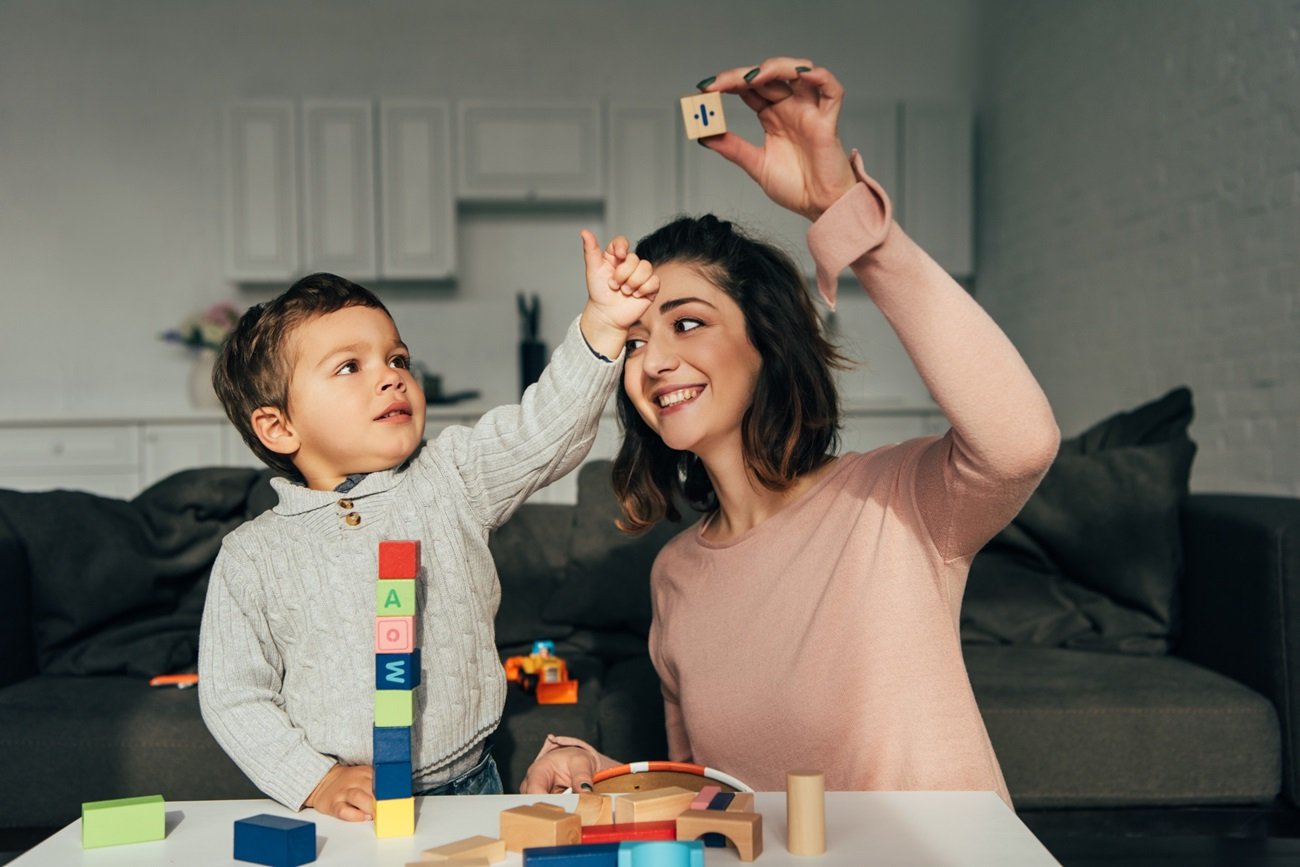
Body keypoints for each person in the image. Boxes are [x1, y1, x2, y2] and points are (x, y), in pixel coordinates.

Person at [520, 57, 1059, 807]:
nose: (656, 360)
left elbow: (1021, 441)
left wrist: (847, 214)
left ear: (764, 341)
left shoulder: (896, 502)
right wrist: (596, 768)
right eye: (636, 340)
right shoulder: (674, 574)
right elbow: (722, 803)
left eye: (687, 322)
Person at [197, 230, 659, 821]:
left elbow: (545, 427)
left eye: (397, 359)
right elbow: (234, 697)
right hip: (347, 805)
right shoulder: (252, 555)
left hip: (471, 782)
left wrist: (604, 324)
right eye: (349, 366)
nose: (390, 376)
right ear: (279, 427)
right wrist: (316, 781)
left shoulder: (452, 476)